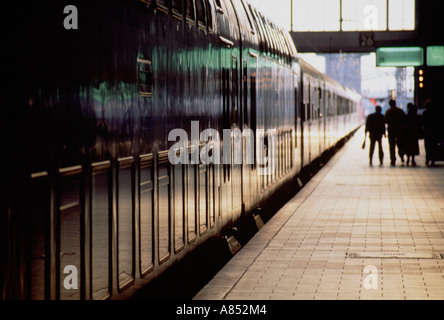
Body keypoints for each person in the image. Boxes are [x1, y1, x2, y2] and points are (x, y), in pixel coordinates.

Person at [384, 99, 406, 166]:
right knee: (400, 145)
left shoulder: (388, 112)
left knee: (392, 146)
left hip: (391, 131)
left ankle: (393, 160)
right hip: (400, 131)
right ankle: (402, 156)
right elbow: (404, 120)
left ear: (390, 104)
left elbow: (386, 121)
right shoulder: (400, 111)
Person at [422, 99, 439, 166]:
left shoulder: (425, 113)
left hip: (427, 132)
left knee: (427, 146)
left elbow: (422, 122)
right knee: (433, 146)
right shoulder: (435, 113)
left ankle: (428, 158)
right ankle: (433, 159)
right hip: (433, 131)